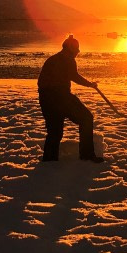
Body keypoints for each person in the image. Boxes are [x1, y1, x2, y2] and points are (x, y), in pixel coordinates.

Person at [37, 34, 104, 163]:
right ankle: (87, 155)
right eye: (77, 49)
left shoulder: (54, 58)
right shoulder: (67, 59)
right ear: (71, 49)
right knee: (86, 118)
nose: (78, 52)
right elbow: (74, 76)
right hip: (60, 97)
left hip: (45, 98)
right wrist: (90, 84)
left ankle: (49, 161)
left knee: (55, 131)